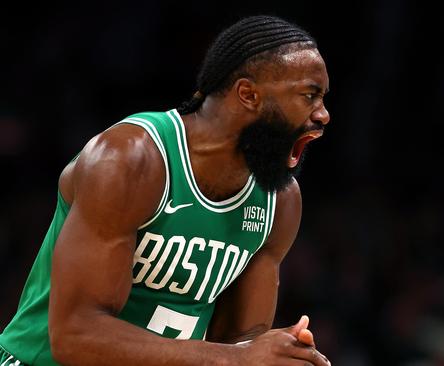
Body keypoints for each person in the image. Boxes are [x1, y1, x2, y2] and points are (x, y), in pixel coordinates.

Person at [0, 15, 331, 366]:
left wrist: (279, 356)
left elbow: (238, 344)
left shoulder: (279, 202)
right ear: (248, 94)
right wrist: (239, 359)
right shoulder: (131, 159)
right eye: (309, 95)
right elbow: (75, 335)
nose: (323, 115)